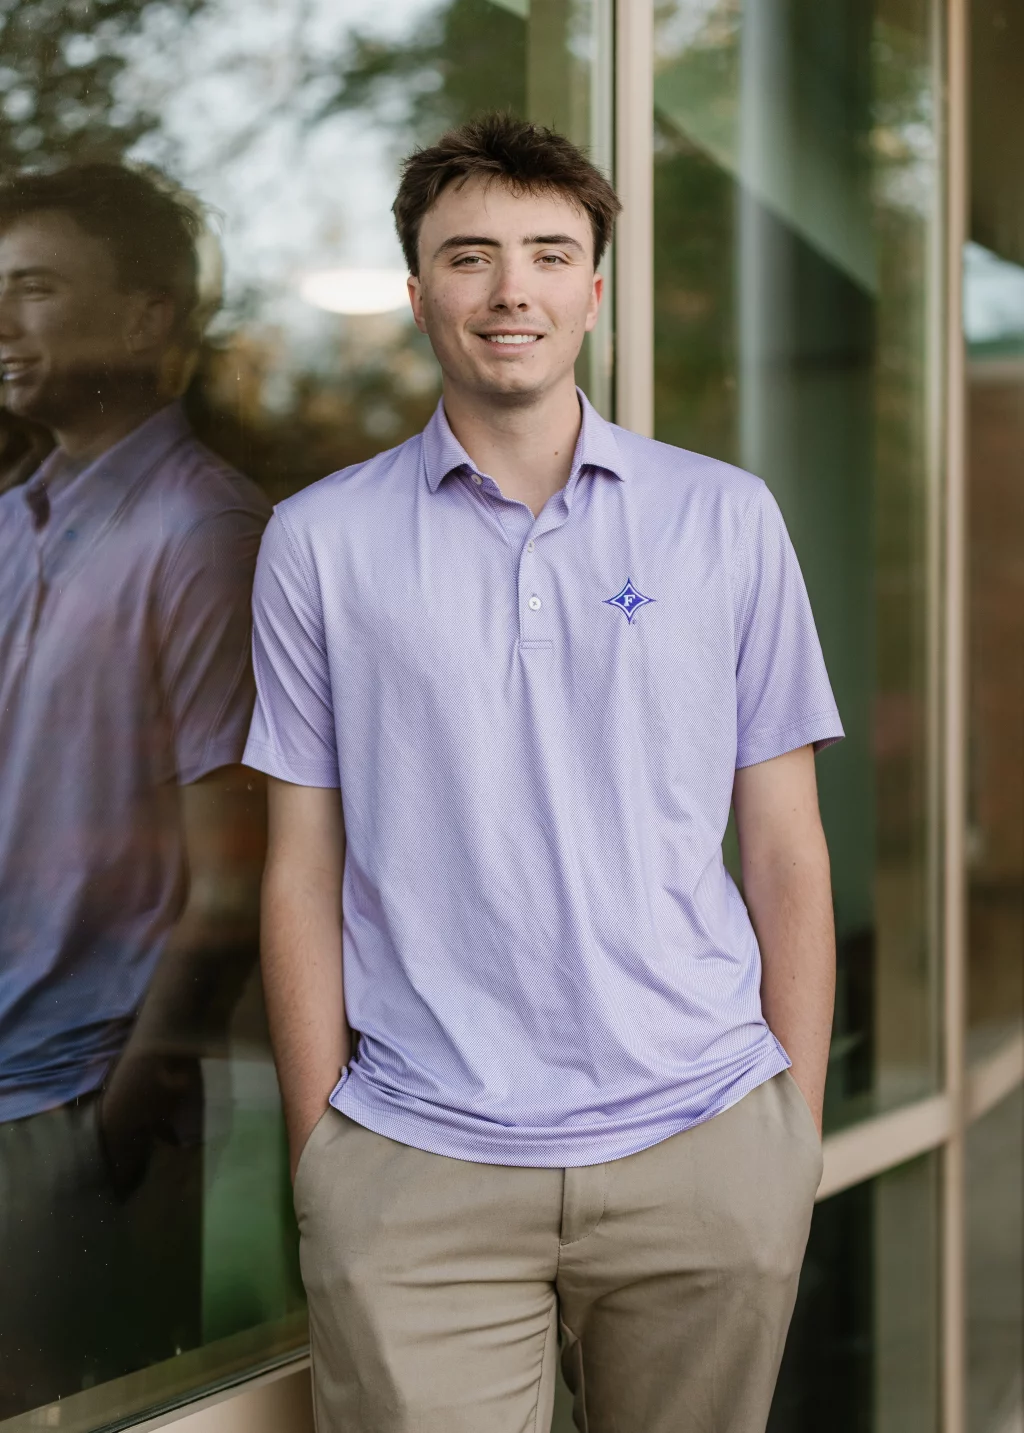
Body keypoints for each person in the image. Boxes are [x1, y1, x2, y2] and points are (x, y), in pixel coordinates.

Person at [245, 113, 844, 1433]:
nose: (511, 289)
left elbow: (788, 848)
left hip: (704, 1141)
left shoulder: (723, 518)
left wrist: (783, 1135)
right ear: (419, 293)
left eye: (548, 253)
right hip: (416, 1158)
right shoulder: (318, 544)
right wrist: (321, 1157)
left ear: (594, 288)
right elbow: (299, 869)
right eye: (470, 256)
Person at [0, 164, 269, 1416]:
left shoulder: (201, 534)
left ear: (148, 318)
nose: (3, 322)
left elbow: (237, 875)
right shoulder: (13, 525)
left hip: (72, 1102)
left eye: (36, 289)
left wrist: (121, 1121)